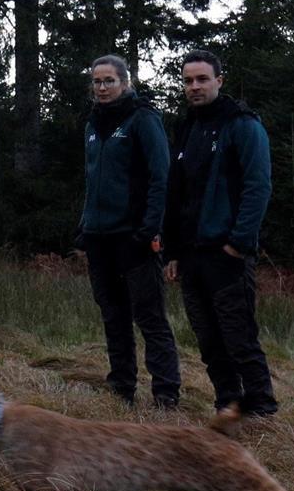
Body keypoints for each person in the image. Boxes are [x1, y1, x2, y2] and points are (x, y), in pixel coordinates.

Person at [163, 50, 276, 417]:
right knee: (208, 340)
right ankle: (228, 404)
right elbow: (175, 193)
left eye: (201, 79)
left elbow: (257, 187)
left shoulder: (242, 125)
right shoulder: (187, 127)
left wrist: (239, 242)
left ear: (219, 81)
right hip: (191, 254)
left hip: (226, 253)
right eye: (187, 81)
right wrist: (172, 251)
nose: (194, 87)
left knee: (238, 336)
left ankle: (261, 408)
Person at [77, 54, 181, 408]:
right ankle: (121, 388)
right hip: (98, 237)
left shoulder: (143, 119)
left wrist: (149, 228)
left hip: (134, 236)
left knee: (150, 317)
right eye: (97, 81)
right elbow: (92, 181)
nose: (102, 88)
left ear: (125, 82)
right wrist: (85, 226)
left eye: (109, 81)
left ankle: (166, 394)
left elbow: (160, 177)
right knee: (113, 315)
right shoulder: (93, 124)